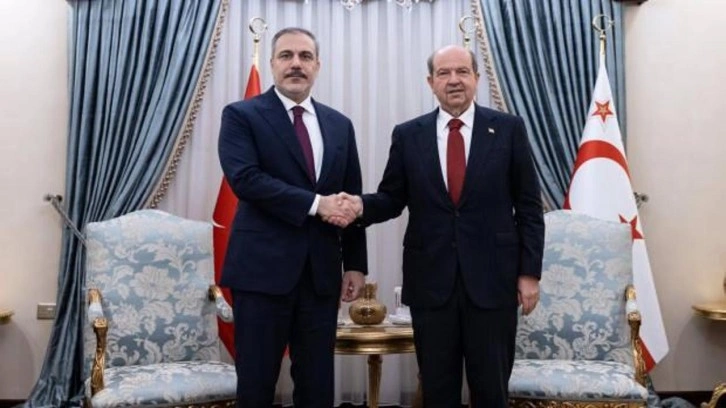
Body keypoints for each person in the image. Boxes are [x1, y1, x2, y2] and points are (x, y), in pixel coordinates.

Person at [337, 45, 545, 407]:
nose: (454, 80)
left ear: (476, 78)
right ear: (430, 82)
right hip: (431, 283)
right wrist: (358, 206)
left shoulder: (508, 129)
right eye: (444, 73)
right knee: (436, 389)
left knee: (491, 389)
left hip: (493, 282)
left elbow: (528, 207)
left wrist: (529, 274)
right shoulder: (408, 135)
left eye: (462, 72)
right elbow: (391, 198)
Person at [217, 27, 367, 407]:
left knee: (317, 387)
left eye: (305, 56)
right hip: (261, 274)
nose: (296, 64)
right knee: (256, 386)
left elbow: (349, 198)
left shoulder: (339, 124)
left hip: (321, 276)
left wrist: (355, 264)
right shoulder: (241, 115)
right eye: (286, 56)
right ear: (272, 63)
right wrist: (316, 204)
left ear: (318, 65)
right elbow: (246, 180)